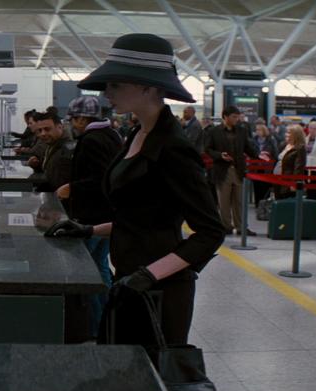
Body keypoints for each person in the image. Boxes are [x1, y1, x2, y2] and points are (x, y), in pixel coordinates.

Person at [49, 33, 224, 348]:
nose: (107, 92)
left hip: (160, 293)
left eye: (116, 84)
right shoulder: (136, 135)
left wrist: (149, 275)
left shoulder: (173, 148)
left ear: (149, 87)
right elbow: (141, 218)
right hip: (129, 280)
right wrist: (88, 230)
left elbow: (211, 232)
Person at [54, 95, 123, 337]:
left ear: (83, 118)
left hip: (94, 216)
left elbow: (101, 179)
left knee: (89, 274)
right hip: (108, 216)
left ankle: (95, 325)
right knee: (101, 268)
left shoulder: (92, 140)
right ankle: (107, 322)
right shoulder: (112, 135)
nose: (72, 123)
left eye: (73, 119)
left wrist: (71, 187)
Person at [204, 105, 261, 235]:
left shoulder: (242, 130)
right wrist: (219, 155)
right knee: (223, 201)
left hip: (238, 170)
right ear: (225, 117)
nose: (237, 119)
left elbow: (247, 147)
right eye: (234, 117)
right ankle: (226, 226)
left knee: (240, 201)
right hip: (222, 170)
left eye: (238, 116)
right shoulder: (214, 131)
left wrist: (258, 155)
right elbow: (207, 149)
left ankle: (241, 227)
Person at [29, 111, 74, 192]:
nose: (43, 133)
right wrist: (36, 166)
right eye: (40, 130)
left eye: (47, 129)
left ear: (60, 127)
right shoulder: (52, 145)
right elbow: (51, 174)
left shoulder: (67, 151)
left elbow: (60, 185)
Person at [273, 125, 307, 200]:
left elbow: (299, 167)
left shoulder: (300, 148)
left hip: (287, 182)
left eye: (289, 133)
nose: (286, 134)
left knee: (286, 203)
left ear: (295, 135)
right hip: (277, 180)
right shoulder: (283, 145)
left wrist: (294, 183)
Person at [252, 124, 279, 202]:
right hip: (256, 166)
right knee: (256, 185)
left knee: (265, 186)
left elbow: (275, 152)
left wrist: (268, 155)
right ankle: (257, 203)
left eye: (259, 130)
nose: (257, 131)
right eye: (256, 130)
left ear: (264, 131)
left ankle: (264, 202)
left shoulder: (271, 140)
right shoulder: (254, 140)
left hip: (267, 167)